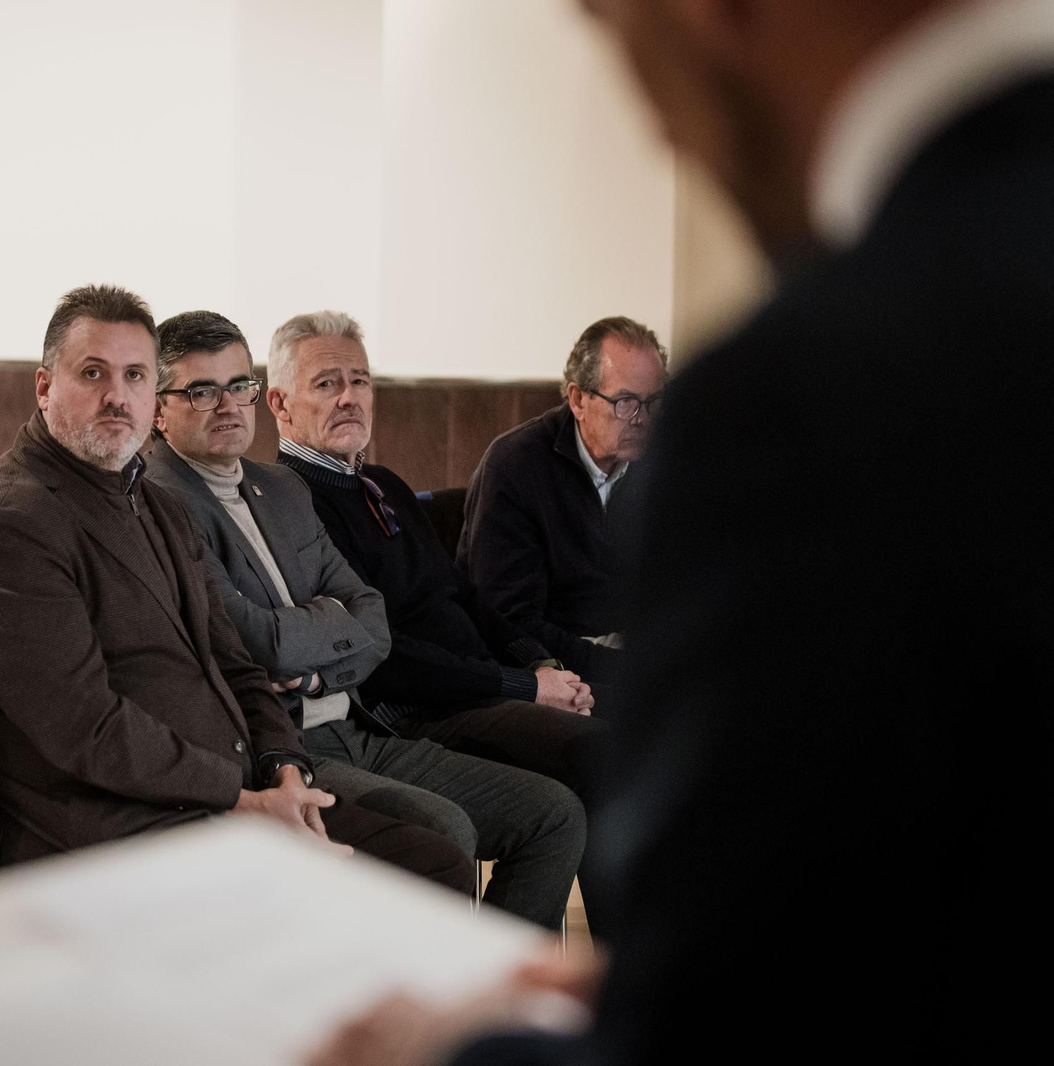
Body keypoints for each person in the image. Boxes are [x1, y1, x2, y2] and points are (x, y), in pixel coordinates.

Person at [309, 0, 1054, 1063]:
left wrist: (453, 1047)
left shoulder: (811, 390)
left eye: (622, 40)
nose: (662, 133)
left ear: (705, 17)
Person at [0, 285, 475, 895]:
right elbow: (88, 731)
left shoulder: (151, 500)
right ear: (43, 387)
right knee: (420, 873)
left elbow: (238, 664)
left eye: (134, 374)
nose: (117, 395)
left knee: (434, 862)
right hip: (115, 827)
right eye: (93, 373)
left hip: (223, 789)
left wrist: (284, 767)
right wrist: (240, 798)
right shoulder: (10, 524)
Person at [147, 310, 585, 926]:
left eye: (237, 385)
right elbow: (262, 643)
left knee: (556, 815)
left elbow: (372, 616)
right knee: (447, 833)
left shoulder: (279, 488)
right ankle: (431, 1011)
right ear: (158, 409)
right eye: (201, 390)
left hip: (352, 724)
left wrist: (321, 663)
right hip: (283, 744)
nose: (227, 405)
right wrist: (325, 627)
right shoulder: (160, 501)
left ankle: (496, 999)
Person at [267, 311, 608, 821]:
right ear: (279, 402)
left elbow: (466, 596)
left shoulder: (384, 484)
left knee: (631, 731)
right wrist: (523, 686)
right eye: (327, 383)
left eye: (360, 381)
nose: (349, 397)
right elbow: (382, 655)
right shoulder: (292, 500)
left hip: (480, 692)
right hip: (415, 711)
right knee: (602, 754)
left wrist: (540, 664)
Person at [458, 317, 667, 684]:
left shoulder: (660, 465)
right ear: (578, 399)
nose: (641, 418)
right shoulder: (515, 466)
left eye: (653, 402)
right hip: (548, 672)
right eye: (625, 402)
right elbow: (508, 623)